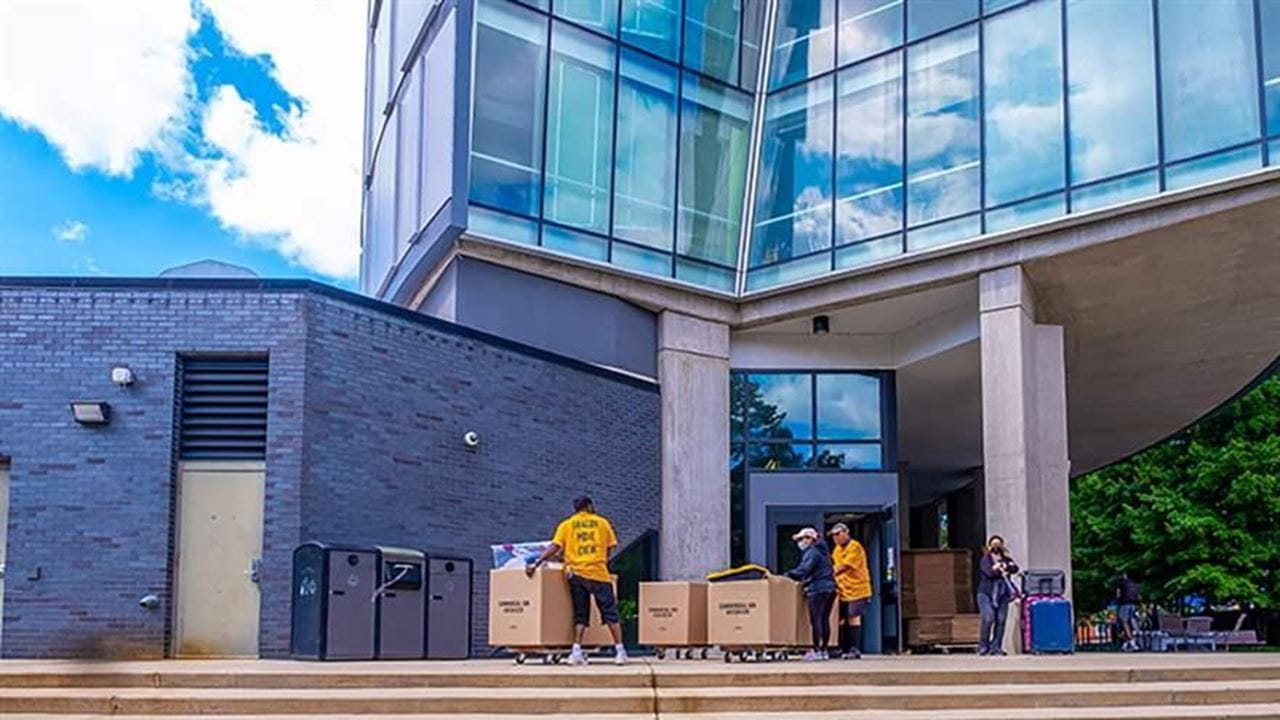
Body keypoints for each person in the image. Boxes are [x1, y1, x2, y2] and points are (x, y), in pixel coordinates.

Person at [526, 496, 626, 665]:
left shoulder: (566, 525)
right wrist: (600, 560)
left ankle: (576, 650)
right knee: (610, 612)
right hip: (598, 573)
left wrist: (536, 563)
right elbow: (610, 547)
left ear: (576, 508)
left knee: (580, 614)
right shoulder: (602, 523)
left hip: (576, 574)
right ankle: (620, 651)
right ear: (590, 506)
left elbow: (555, 546)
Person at [784, 527, 838, 661]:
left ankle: (816, 650)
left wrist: (789, 574)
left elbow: (804, 569)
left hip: (817, 588)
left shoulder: (812, 552)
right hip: (830, 588)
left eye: (802, 539)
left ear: (810, 539)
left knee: (816, 620)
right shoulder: (824, 552)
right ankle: (824, 650)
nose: (800, 542)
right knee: (825, 619)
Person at [829, 522, 872, 659]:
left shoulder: (855, 547)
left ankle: (855, 648)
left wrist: (827, 573)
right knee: (840, 618)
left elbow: (844, 567)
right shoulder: (837, 549)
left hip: (857, 589)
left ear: (846, 533)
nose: (835, 538)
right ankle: (841, 647)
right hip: (842, 590)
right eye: (833, 535)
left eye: (838, 534)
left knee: (853, 617)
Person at [977, 534, 1020, 656]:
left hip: (1002, 594)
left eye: (998, 544)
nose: (996, 547)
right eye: (994, 544)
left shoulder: (1006, 558)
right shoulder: (985, 559)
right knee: (988, 618)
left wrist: (1004, 565)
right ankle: (984, 646)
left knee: (1001, 619)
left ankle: (996, 647)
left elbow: (1015, 568)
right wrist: (998, 569)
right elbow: (989, 573)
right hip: (986, 593)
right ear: (989, 546)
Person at [1114, 571, 1142, 652]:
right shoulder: (1133, 582)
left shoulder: (1120, 582)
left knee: (1123, 621)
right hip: (1133, 604)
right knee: (1131, 620)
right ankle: (1128, 642)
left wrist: (1118, 601)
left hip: (1124, 604)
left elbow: (1118, 594)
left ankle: (1131, 640)